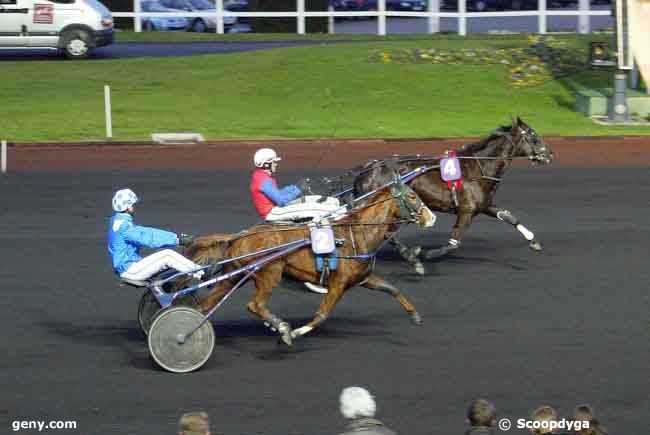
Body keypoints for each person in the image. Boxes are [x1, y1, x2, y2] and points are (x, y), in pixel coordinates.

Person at [108, 188, 204, 283]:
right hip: (130, 269)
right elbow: (148, 238)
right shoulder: (124, 227)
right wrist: (178, 240)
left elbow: (147, 232)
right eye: (132, 205)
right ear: (128, 207)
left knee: (171, 264)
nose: (134, 207)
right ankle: (203, 273)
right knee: (167, 255)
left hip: (128, 266)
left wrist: (176, 237)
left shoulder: (118, 220)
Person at [249, 147, 342, 223]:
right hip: (273, 212)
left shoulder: (260, 176)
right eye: (274, 162)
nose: (276, 164)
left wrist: (295, 187)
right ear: (266, 164)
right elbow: (281, 200)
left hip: (275, 208)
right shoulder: (263, 180)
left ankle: (336, 203)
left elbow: (277, 193)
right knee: (309, 207)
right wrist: (298, 190)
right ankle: (341, 213)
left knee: (308, 199)